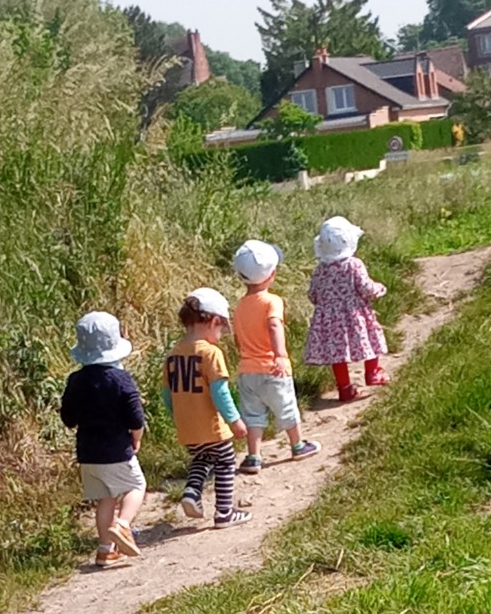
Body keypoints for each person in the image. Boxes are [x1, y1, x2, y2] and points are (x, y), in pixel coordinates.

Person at [60, 311, 147, 569]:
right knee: (136, 486)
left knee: (105, 497)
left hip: (88, 453)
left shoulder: (75, 380)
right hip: (116, 449)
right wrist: (136, 438)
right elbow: (135, 417)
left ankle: (104, 550)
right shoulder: (120, 379)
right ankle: (122, 525)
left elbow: (68, 417)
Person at [230, 239, 321, 476]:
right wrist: (280, 354)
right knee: (287, 407)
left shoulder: (239, 306)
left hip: (247, 370)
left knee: (252, 414)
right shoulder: (273, 301)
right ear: (272, 274)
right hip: (271, 367)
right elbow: (273, 325)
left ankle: (253, 456)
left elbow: (238, 338)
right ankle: (297, 445)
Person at [163, 287, 251, 528]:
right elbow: (219, 392)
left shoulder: (172, 355)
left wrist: (178, 416)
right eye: (221, 328)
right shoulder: (211, 353)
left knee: (202, 457)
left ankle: (191, 492)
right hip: (211, 424)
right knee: (225, 461)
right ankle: (224, 512)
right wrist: (234, 420)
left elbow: (165, 394)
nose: (221, 334)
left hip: (186, 426)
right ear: (213, 321)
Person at [305, 216, 390, 400]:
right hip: (355, 314)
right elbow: (365, 287)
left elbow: (313, 294)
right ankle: (372, 372)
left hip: (329, 319)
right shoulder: (353, 265)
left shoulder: (321, 269)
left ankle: (344, 387)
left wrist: (325, 304)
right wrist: (379, 289)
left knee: (338, 353)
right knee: (371, 338)